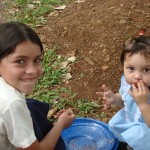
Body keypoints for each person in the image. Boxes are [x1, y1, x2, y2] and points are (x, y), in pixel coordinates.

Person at [0, 22, 75, 150]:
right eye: (20, 61)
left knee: (31, 106)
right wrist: (60, 124)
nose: (33, 71)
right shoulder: (12, 103)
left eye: (37, 60)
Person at [96, 34, 150, 150]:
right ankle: (129, 143)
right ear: (123, 67)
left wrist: (144, 104)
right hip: (130, 121)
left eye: (146, 70)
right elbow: (125, 99)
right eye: (131, 68)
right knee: (118, 127)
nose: (137, 76)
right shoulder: (127, 83)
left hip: (145, 135)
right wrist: (114, 98)